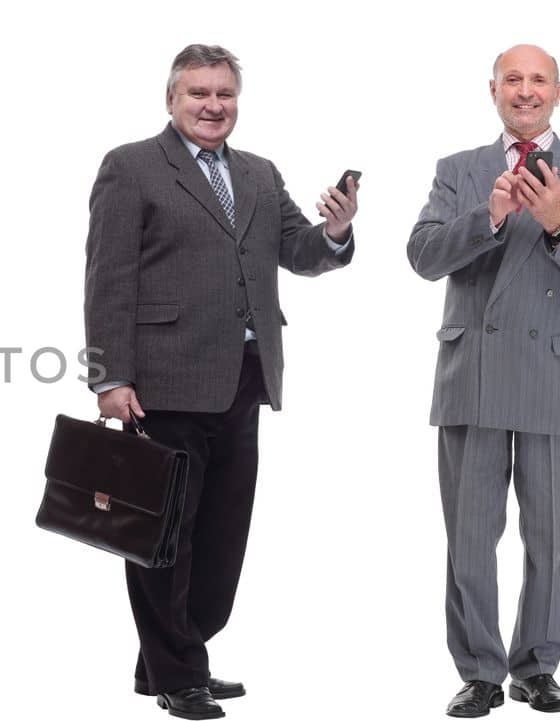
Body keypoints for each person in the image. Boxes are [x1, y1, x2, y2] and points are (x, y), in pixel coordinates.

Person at [84, 44, 357, 720]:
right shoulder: (132, 166)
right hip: (162, 381)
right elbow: (108, 277)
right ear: (171, 100)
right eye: (198, 93)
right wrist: (109, 374)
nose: (212, 106)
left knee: (221, 535)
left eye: (224, 94)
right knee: (161, 534)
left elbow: (298, 250)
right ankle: (180, 672)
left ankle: (174, 658)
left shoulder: (260, 174)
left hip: (244, 377)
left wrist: (336, 231)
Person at [407, 44, 560, 719]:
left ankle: (537, 666)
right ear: (493, 90)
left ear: (557, 92)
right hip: (472, 370)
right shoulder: (460, 170)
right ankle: (479, 670)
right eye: (513, 79)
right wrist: (491, 217)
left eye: (538, 80)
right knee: (470, 533)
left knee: (551, 534)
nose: (525, 91)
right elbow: (422, 256)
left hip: (556, 374)